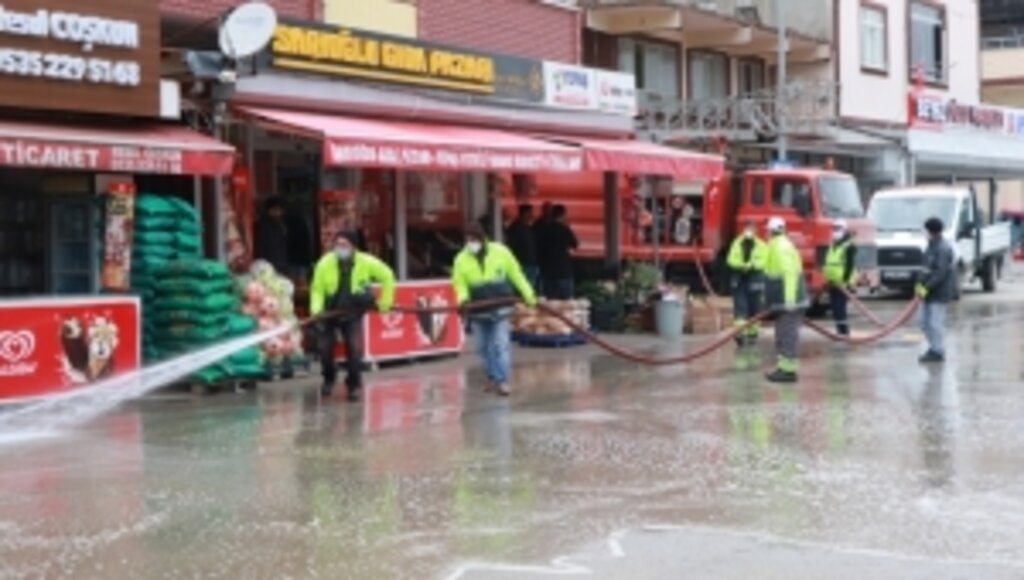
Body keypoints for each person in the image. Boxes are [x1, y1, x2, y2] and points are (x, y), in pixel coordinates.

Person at [309, 231, 396, 402]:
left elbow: (388, 275)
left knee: (354, 348)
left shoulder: (366, 261)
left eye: (344, 245)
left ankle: (354, 384)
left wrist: (385, 301)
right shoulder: (324, 264)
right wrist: (316, 310)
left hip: (353, 311)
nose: (340, 248)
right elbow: (317, 289)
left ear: (353, 247)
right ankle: (329, 377)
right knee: (325, 348)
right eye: (337, 245)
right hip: (329, 311)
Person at [452, 224, 536, 396]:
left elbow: (516, 274)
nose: (471, 243)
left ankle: (502, 380)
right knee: (482, 348)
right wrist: (462, 300)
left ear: (483, 239)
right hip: (478, 310)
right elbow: (459, 284)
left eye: (474, 240)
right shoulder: (461, 260)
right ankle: (492, 377)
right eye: (468, 240)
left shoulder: (501, 252)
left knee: (499, 345)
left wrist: (528, 294)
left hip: (500, 308)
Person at [763, 216, 808, 383]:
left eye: (766, 230)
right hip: (783, 301)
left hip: (789, 301)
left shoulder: (780, 246)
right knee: (782, 334)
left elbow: (789, 274)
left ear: (770, 231)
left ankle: (788, 372)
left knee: (787, 334)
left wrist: (789, 301)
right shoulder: (778, 245)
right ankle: (784, 368)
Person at [916, 217, 954, 363]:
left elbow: (940, 273)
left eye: (925, 230)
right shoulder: (930, 246)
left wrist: (926, 287)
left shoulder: (943, 249)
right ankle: (933, 348)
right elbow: (925, 269)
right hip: (927, 293)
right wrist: (918, 284)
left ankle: (938, 351)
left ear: (931, 231)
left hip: (938, 294)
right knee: (924, 324)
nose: (923, 232)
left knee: (935, 324)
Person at [727, 220, 768, 346]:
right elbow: (730, 259)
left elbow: (764, 261)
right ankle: (740, 334)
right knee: (740, 306)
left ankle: (752, 333)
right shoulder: (737, 243)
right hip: (740, 278)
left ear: (756, 230)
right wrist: (741, 266)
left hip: (755, 278)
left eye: (751, 228)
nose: (749, 231)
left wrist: (752, 265)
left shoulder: (761, 245)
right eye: (747, 228)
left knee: (755, 306)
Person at [823, 219, 858, 336]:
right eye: (833, 228)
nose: (834, 231)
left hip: (843, 283)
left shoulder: (849, 246)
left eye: (837, 229)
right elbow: (830, 263)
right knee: (835, 309)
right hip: (833, 282)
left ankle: (844, 332)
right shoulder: (833, 244)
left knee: (840, 308)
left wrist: (845, 281)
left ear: (843, 230)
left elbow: (849, 265)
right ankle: (840, 331)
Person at [544, 204, 579, 299]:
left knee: (551, 302)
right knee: (567, 301)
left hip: (548, 270)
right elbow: (575, 244)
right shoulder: (564, 229)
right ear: (563, 215)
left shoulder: (545, 229)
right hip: (563, 269)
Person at [506, 204, 539, 289]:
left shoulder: (528, 228)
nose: (532, 216)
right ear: (524, 214)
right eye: (530, 213)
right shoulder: (516, 228)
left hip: (531, 263)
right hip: (523, 263)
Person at [255, 197, 290, 275]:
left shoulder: (280, 224)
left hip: (280, 264)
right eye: (276, 210)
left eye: (280, 210)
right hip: (269, 265)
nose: (279, 213)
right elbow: (262, 247)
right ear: (270, 210)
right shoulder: (263, 225)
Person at [533, 202, 554, 294]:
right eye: (546, 210)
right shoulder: (538, 224)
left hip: (552, 258)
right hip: (540, 257)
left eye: (550, 210)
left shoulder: (555, 224)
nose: (548, 212)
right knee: (540, 280)